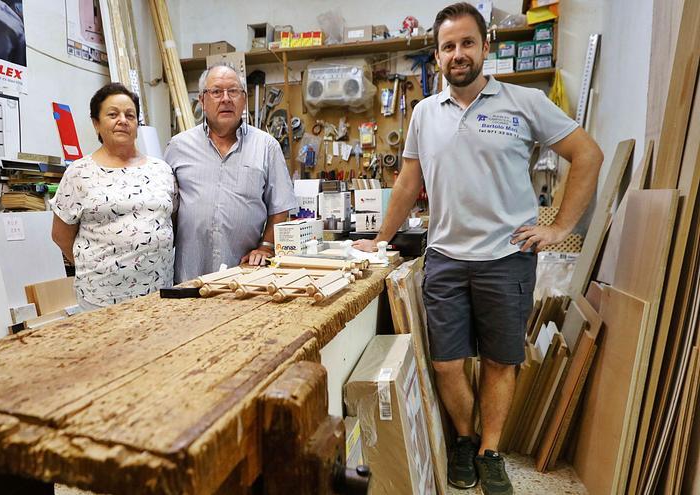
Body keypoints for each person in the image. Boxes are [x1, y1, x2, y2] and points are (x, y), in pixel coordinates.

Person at [355, 4, 604, 494]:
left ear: (485, 47)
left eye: (467, 43)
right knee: (446, 362)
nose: (458, 54)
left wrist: (560, 227)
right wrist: (381, 238)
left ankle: (490, 451)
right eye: (448, 46)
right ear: (438, 54)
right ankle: (465, 440)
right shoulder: (425, 113)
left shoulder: (523, 102)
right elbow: (409, 182)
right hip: (445, 258)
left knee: (499, 361)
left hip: (506, 258)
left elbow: (587, 154)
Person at [164, 64, 297, 283]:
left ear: (243, 99)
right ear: (202, 101)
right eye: (216, 92)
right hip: (189, 273)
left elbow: (280, 207)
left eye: (233, 91)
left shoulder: (267, 146)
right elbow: (168, 209)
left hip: (245, 276)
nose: (225, 98)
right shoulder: (178, 147)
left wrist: (265, 246)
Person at [51, 83, 177, 310]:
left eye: (130, 115)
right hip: (101, 298)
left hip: (158, 293)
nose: (123, 120)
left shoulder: (162, 170)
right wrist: (95, 267)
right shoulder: (79, 173)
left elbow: (171, 221)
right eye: (112, 114)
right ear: (96, 123)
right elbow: (61, 234)